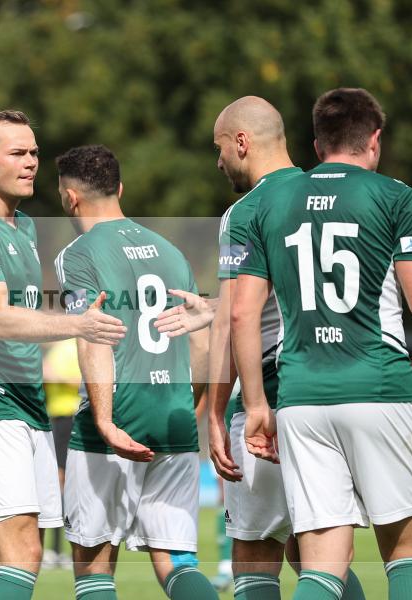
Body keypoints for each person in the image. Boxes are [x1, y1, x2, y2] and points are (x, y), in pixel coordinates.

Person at [232, 88, 412, 600]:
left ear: (316, 145)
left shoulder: (270, 203)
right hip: (378, 386)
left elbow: (242, 312)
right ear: (376, 139)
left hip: (300, 399)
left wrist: (254, 404)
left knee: (321, 568)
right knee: (405, 556)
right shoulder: (396, 196)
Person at [156, 96, 368, 600]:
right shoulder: (333, 194)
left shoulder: (245, 210)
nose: (218, 160)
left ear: (242, 142)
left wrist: (216, 410)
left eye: (219, 148)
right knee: (317, 550)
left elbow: (239, 315)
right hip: (342, 387)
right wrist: (214, 306)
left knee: (256, 551)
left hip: (273, 393)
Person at [0, 111, 126, 600]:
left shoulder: (24, 226)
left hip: (29, 405)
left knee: (30, 557)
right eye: (17, 153)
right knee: (20, 555)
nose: (31, 162)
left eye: (34, 152)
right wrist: (78, 324)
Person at [54, 144, 218, 600]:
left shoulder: (78, 254)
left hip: (116, 417)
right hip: (175, 418)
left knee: (94, 567)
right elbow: (201, 332)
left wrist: (104, 420)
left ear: (70, 198)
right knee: (176, 563)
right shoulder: (171, 251)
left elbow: (93, 334)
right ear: (120, 189)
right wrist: (193, 405)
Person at [41, 339, 82, 569]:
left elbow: (87, 382)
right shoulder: (55, 351)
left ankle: (66, 548)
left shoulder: (74, 346)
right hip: (56, 419)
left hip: (71, 418)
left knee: (65, 484)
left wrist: (57, 377)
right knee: (57, 484)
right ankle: (55, 550)